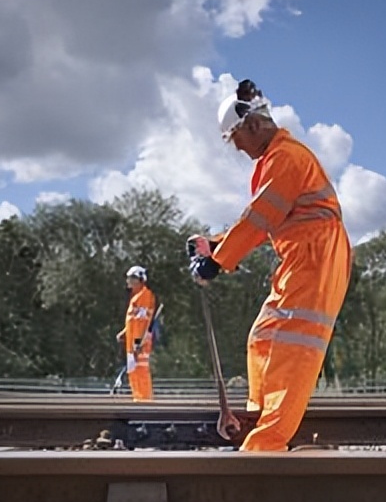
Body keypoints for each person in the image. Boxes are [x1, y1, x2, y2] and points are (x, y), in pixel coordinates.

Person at [188, 79, 353, 451]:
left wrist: (217, 260)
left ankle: (268, 443)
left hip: (316, 257)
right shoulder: (276, 159)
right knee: (263, 338)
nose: (240, 150)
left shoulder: (286, 157)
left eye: (237, 140)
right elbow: (265, 221)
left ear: (253, 125)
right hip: (302, 256)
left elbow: (259, 217)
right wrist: (212, 244)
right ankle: (259, 419)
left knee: (291, 349)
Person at [115, 265, 157, 402]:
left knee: (141, 371)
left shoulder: (145, 296)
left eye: (130, 278)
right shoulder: (136, 297)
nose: (128, 281)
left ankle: (144, 399)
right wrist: (125, 332)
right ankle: (138, 398)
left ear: (139, 280)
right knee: (133, 371)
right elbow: (133, 321)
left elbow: (143, 322)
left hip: (139, 342)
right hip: (133, 342)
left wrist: (138, 342)